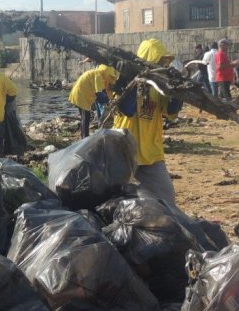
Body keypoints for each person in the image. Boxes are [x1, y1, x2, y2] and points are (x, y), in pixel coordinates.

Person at [114, 39, 182, 205]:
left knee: (166, 197)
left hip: (151, 153)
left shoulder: (160, 87)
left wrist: (178, 91)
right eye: (159, 60)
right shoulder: (126, 81)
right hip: (124, 151)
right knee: (115, 198)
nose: (163, 65)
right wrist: (131, 78)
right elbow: (127, 109)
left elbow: (171, 112)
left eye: (164, 62)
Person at [69, 63, 119, 138]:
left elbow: (106, 91)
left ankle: (84, 136)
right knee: (85, 117)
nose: (112, 79)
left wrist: (111, 99)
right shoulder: (98, 75)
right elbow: (99, 93)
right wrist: (109, 101)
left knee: (85, 117)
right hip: (80, 95)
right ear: (107, 73)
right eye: (111, 76)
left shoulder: (102, 76)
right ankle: (84, 138)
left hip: (82, 94)